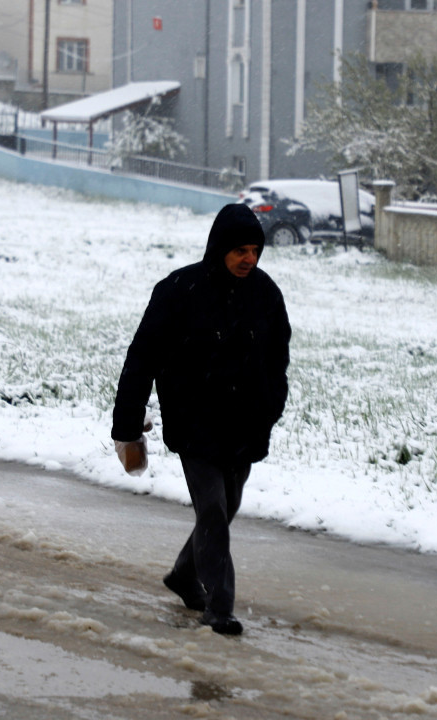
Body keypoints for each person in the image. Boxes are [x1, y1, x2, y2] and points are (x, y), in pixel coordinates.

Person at [112, 203, 291, 636]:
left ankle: (183, 575)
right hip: (194, 420)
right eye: (239, 251)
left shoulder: (265, 294)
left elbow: (277, 358)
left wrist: (271, 407)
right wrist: (127, 426)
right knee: (212, 509)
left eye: (255, 250)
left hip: (245, 422)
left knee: (227, 507)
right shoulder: (179, 290)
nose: (249, 258)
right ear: (219, 248)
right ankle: (219, 606)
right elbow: (142, 358)